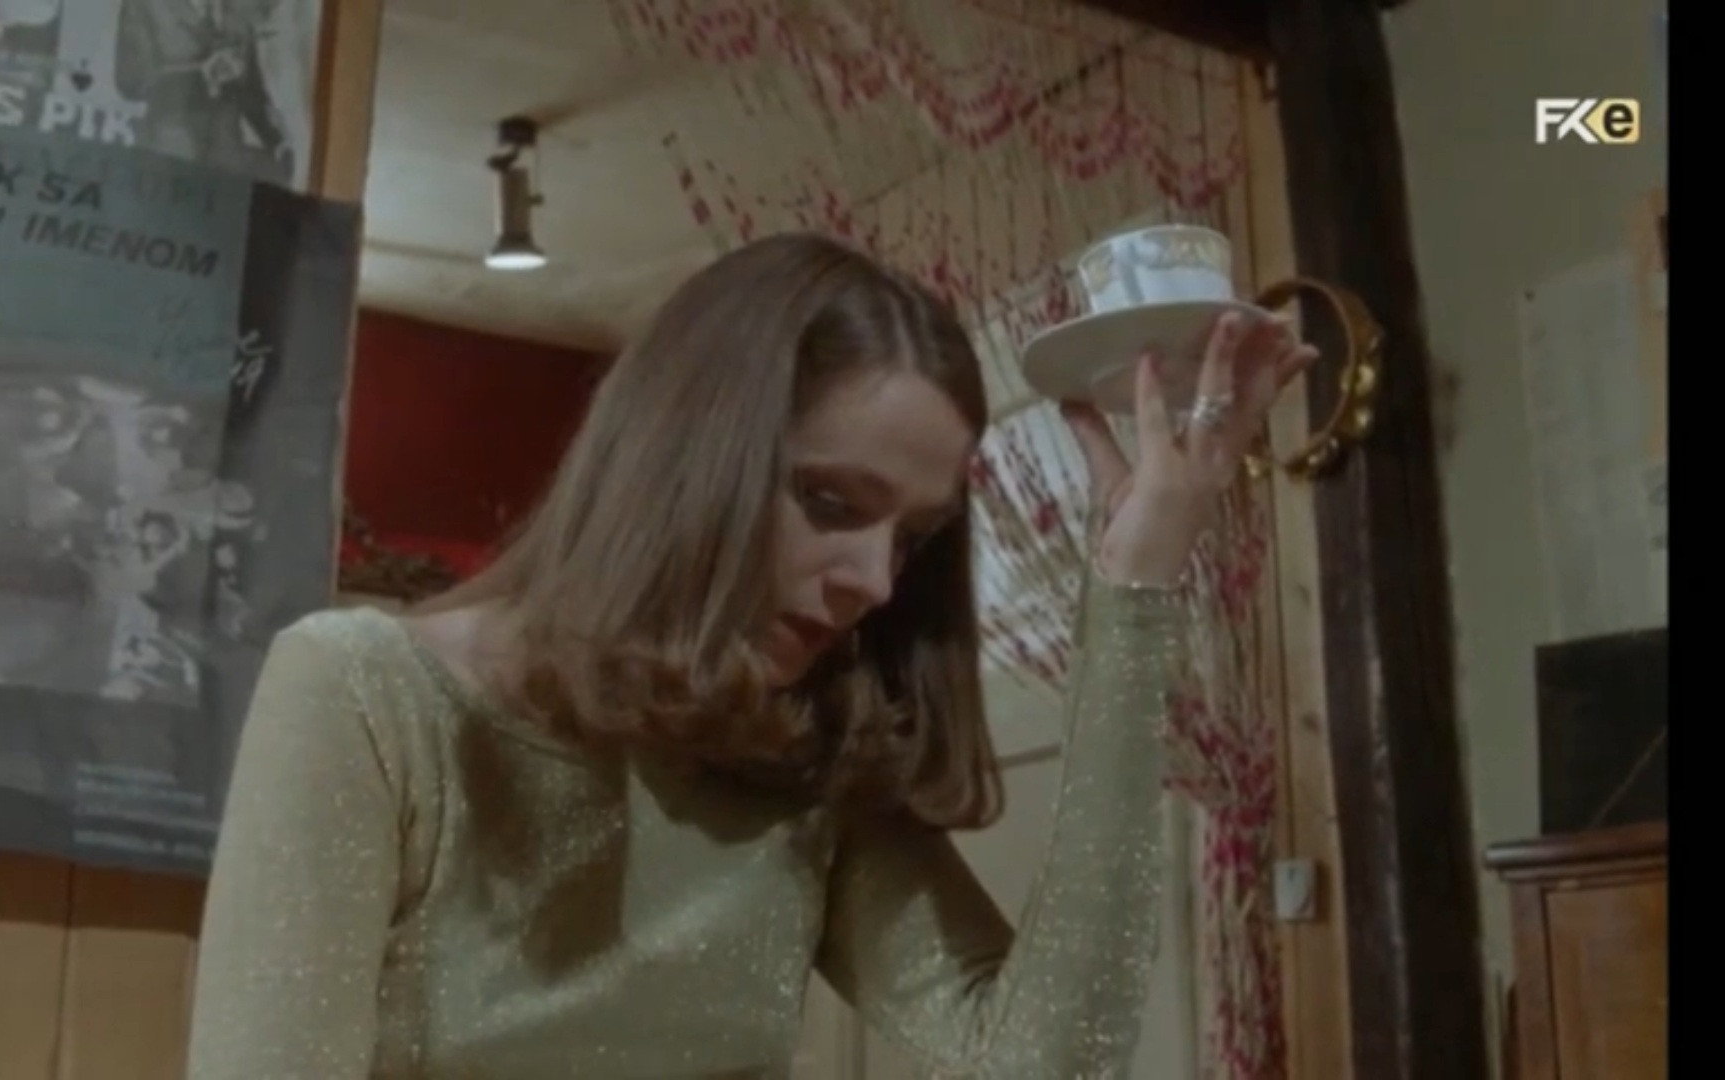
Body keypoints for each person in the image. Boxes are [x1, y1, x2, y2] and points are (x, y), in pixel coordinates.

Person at [185, 233, 1315, 1078]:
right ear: (687, 458)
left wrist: (1135, 591)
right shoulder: (368, 693)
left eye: (912, 538)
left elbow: (1049, 1062)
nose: (876, 582)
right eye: (831, 502)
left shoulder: (805, 752)